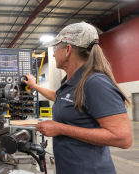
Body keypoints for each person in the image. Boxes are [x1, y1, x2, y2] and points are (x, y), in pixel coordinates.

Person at [22, 22, 133, 174]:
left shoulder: (95, 83)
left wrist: (60, 128)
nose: (53, 54)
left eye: (55, 48)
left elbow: (123, 138)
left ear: (68, 50)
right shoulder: (73, 81)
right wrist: (34, 86)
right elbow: (60, 97)